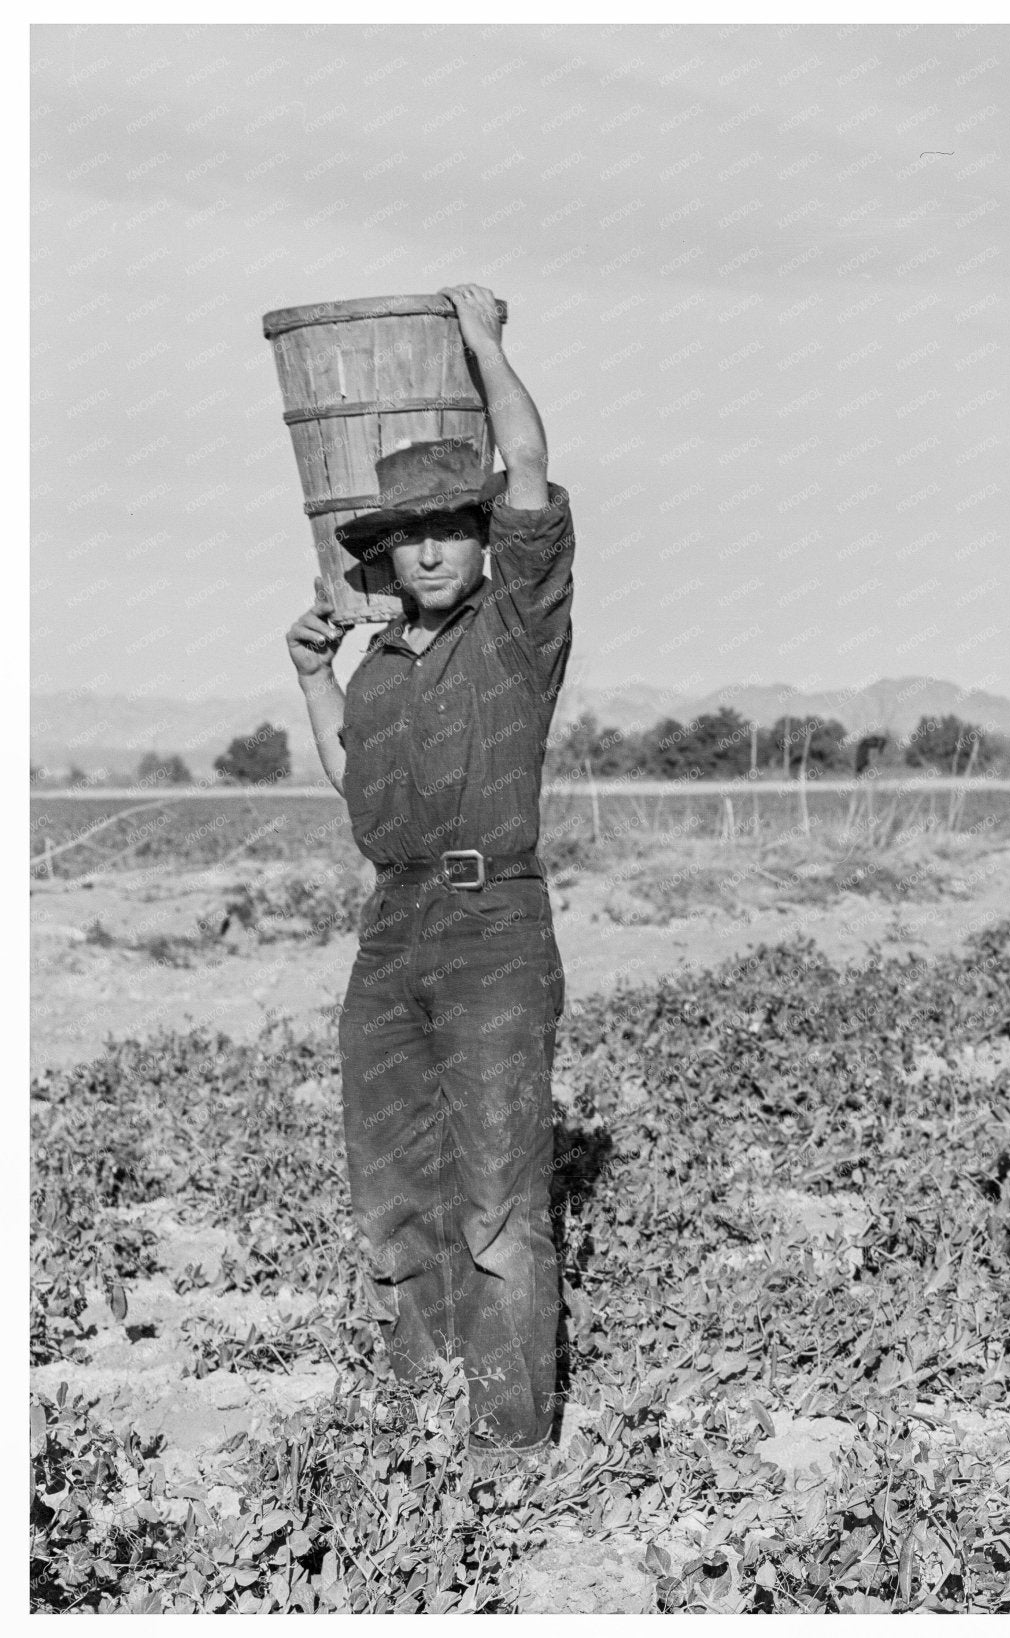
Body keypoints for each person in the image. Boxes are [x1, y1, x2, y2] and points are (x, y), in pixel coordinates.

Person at [285, 283, 575, 1470]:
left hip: (493, 921)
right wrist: (311, 678)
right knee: (392, 1181)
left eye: (452, 525)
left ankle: (508, 1448)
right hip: (390, 925)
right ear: (388, 556)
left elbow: (528, 471)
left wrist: (486, 348)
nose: (435, 545)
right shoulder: (384, 668)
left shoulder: (518, 632)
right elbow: (353, 783)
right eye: (412, 533)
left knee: (498, 1196)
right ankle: (419, 1412)